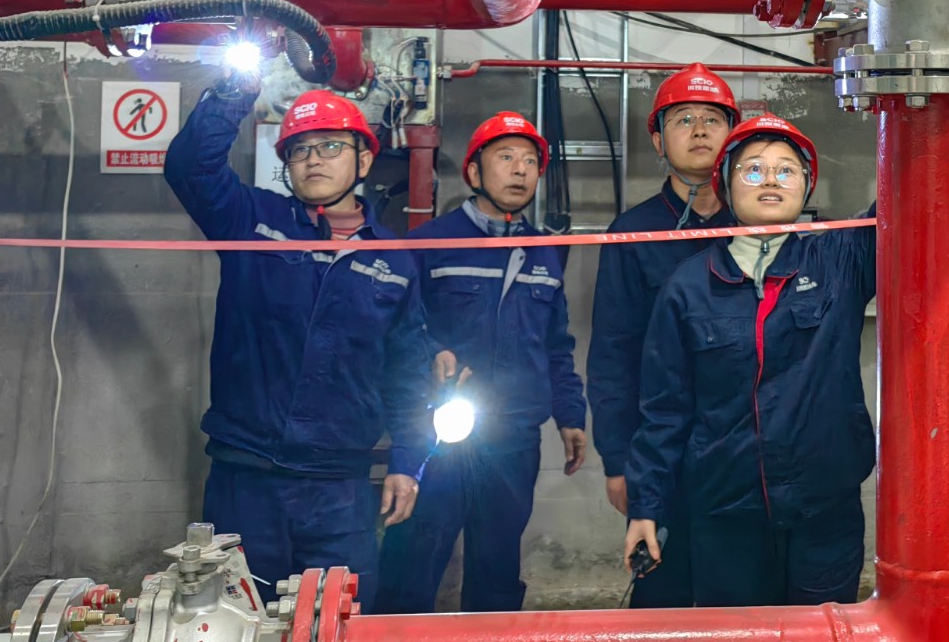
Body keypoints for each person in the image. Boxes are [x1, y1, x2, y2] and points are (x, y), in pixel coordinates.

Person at [165, 76, 438, 609]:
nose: (313, 159)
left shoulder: (395, 260)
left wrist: (407, 461)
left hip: (339, 488)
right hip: (246, 480)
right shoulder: (253, 222)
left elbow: (406, 373)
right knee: (237, 627)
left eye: (331, 146)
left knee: (336, 629)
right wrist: (233, 91)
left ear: (364, 160)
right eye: (299, 150)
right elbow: (190, 167)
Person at [624, 115, 875, 607]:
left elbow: (909, 196)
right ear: (725, 184)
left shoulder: (841, 261)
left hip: (824, 514)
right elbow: (664, 411)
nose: (770, 181)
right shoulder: (688, 287)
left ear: (807, 186)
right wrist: (645, 507)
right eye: (753, 170)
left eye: (786, 171)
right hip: (725, 516)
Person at [376, 112, 587, 613]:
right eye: (505, 157)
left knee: (497, 572)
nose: (520, 170)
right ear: (473, 172)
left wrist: (570, 414)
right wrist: (433, 353)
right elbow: (395, 330)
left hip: (514, 439)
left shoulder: (544, 253)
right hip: (439, 435)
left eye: (530, 161)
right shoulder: (430, 244)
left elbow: (556, 343)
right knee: (412, 565)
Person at [587, 63, 738, 608]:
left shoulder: (760, 225)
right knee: (663, 601)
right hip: (662, 452)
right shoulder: (633, 233)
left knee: (742, 604)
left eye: (712, 119)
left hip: (743, 450)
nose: (699, 130)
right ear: (658, 141)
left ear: (733, 135)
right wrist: (617, 460)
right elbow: (612, 352)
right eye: (683, 119)